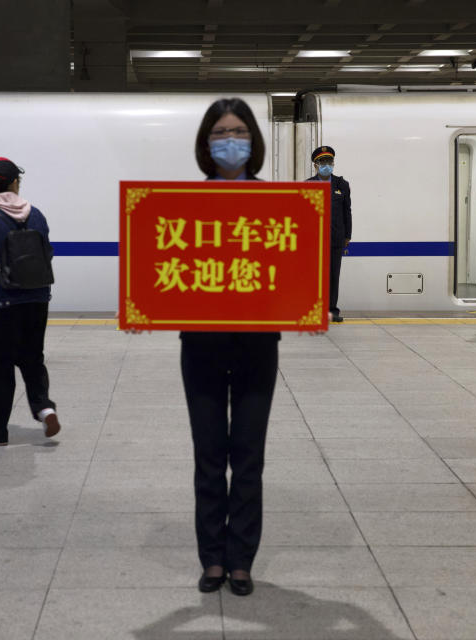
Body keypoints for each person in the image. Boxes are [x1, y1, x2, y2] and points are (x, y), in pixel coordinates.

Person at [183, 98, 278, 597]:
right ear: (206, 144)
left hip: (258, 347)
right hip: (200, 346)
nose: (230, 140)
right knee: (207, 454)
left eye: (238, 131)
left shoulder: (280, 206)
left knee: (247, 454)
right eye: (220, 132)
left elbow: (292, 272)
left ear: (253, 141)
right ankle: (212, 559)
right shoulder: (180, 205)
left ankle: (240, 558)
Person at [0, 157, 61, 444]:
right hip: (38, 298)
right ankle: (43, 407)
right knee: (33, 358)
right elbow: (48, 253)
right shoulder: (36, 214)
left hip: (3, 302)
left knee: (1, 368)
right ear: (14, 182)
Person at [306, 146, 351, 322]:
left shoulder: (342, 185)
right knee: (315, 276)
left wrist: (347, 236)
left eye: (329, 162)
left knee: (333, 275)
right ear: (315, 165)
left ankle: (332, 310)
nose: (327, 165)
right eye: (323, 162)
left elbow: (347, 212)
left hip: (335, 239)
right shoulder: (308, 185)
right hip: (314, 240)